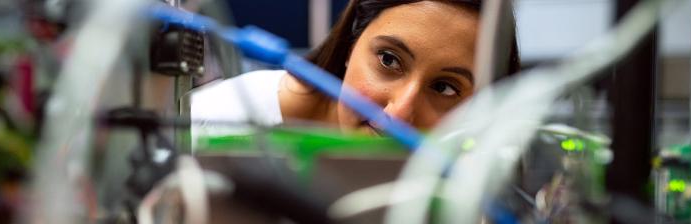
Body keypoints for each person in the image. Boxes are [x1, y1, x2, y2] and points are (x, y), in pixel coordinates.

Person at [191, 0, 520, 138]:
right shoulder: (213, 124)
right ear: (351, 45)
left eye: (444, 87)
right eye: (389, 61)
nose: (399, 112)